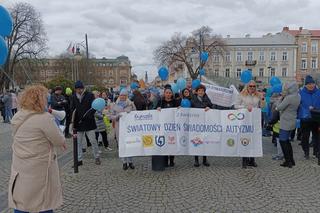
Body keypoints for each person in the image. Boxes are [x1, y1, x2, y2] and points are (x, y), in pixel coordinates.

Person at [8, 85, 66, 213]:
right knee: (43, 202)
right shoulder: (44, 118)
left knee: (22, 200)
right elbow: (59, 140)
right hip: (40, 167)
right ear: (40, 100)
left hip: (21, 165)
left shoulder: (17, 116)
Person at [235, 80, 265, 168]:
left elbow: (262, 107)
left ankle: (252, 160)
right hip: (245, 121)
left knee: (254, 139)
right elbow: (236, 105)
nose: (252, 88)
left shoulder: (258, 95)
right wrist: (245, 107)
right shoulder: (241, 95)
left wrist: (262, 99)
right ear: (247, 87)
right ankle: (244, 160)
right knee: (245, 139)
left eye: (254, 86)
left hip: (255, 121)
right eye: (250, 86)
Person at [71, 81, 101, 166]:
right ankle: (79, 159)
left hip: (89, 123)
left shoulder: (90, 95)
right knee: (78, 143)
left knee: (93, 141)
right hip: (78, 123)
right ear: (75, 89)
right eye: (77, 89)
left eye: (80, 88)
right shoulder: (73, 97)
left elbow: (94, 107)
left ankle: (97, 157)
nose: (79, 90)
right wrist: (73, 122)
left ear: (83, 88)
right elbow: (72, 109)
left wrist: (89, 115)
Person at [108, 89, 136, 170]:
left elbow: (136, 114)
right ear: (119, 96)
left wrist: (130, 114)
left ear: (126, 96)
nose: (122, 97)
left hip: (129, 128)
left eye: (124, 95)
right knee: (122, 145)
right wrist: (116, 117)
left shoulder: (131, 104)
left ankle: (130, 161)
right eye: (121, 95)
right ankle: (124, 162)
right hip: (119, 128)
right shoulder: (114, 105)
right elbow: (110, 116)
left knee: (130, 144)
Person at [276, 82, 301, 168]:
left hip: (285, 121)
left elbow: (279, 107)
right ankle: (291, 160)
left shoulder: (289, 98)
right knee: (287, 141)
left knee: (283, 141)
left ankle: (288, 161)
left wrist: (280, 99)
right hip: (292, 120)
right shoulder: (298, 96)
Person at [191, 84, 214, 167]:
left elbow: (212, 106)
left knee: (204, 141)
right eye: (199, 90)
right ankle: (196, 160)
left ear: (204, 92)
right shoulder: (193, 99)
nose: (201, 92)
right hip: (196, 124)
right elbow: (190, 108)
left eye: (202, 91)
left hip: (205, 123)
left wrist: (209, 107)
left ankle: (205, 159)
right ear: (196, 92)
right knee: (196, 141)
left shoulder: (207, 98)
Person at [298, 75, 320, 160]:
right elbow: (298, 104)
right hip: (305, 118)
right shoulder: (301, 93)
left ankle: (316, 152)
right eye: (309, 84)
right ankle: (306, 152)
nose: (311, 85)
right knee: (305, 136)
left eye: (312, 83)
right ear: (305, 85)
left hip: (316, 118)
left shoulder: (318, 92)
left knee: (316, 136)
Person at [157, 87, 180, 167]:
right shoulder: (160, 102)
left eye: (170, 93)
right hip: (163, 127)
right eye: (167, 93)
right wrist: (158, 109)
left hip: (173, 126)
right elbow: (154, 111)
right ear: (164, 93)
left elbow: (179, 112)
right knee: (165, 143)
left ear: (172, 94)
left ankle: (172, 160)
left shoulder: (175, 102)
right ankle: (165, 160)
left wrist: (179, 109)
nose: (168, 94)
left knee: (172, 143)